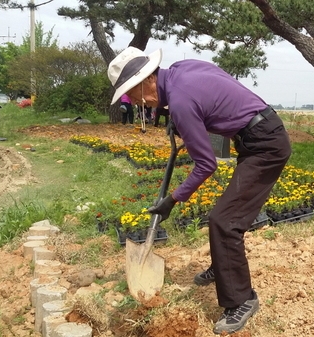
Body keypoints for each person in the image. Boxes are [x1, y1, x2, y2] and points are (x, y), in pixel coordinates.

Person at [107, 47, 291, 334]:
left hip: (266, 145)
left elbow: (206, 165)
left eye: (134, 93)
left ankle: (242, 300)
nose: (138, 101)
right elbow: (216, 92)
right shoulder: (182, 69)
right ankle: (225, 266)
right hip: (257, 132)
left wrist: (173, 199)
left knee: (225, 221)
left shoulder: (180, 102)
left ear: (148, 80)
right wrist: (179, 118)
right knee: (225, 215)